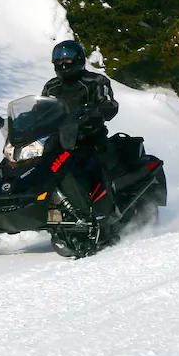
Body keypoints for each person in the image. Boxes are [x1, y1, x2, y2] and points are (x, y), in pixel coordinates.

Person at [42, 40, 120, 241]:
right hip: (59, 140)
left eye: (67, 58)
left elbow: (108, 103)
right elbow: (40, 111)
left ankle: (103, 218)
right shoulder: (51, 87)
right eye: (58, 59)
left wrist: (99, 110)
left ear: (78, 59)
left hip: (89, 137)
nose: (63, 63)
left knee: (89, 165)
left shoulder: (95, 81)